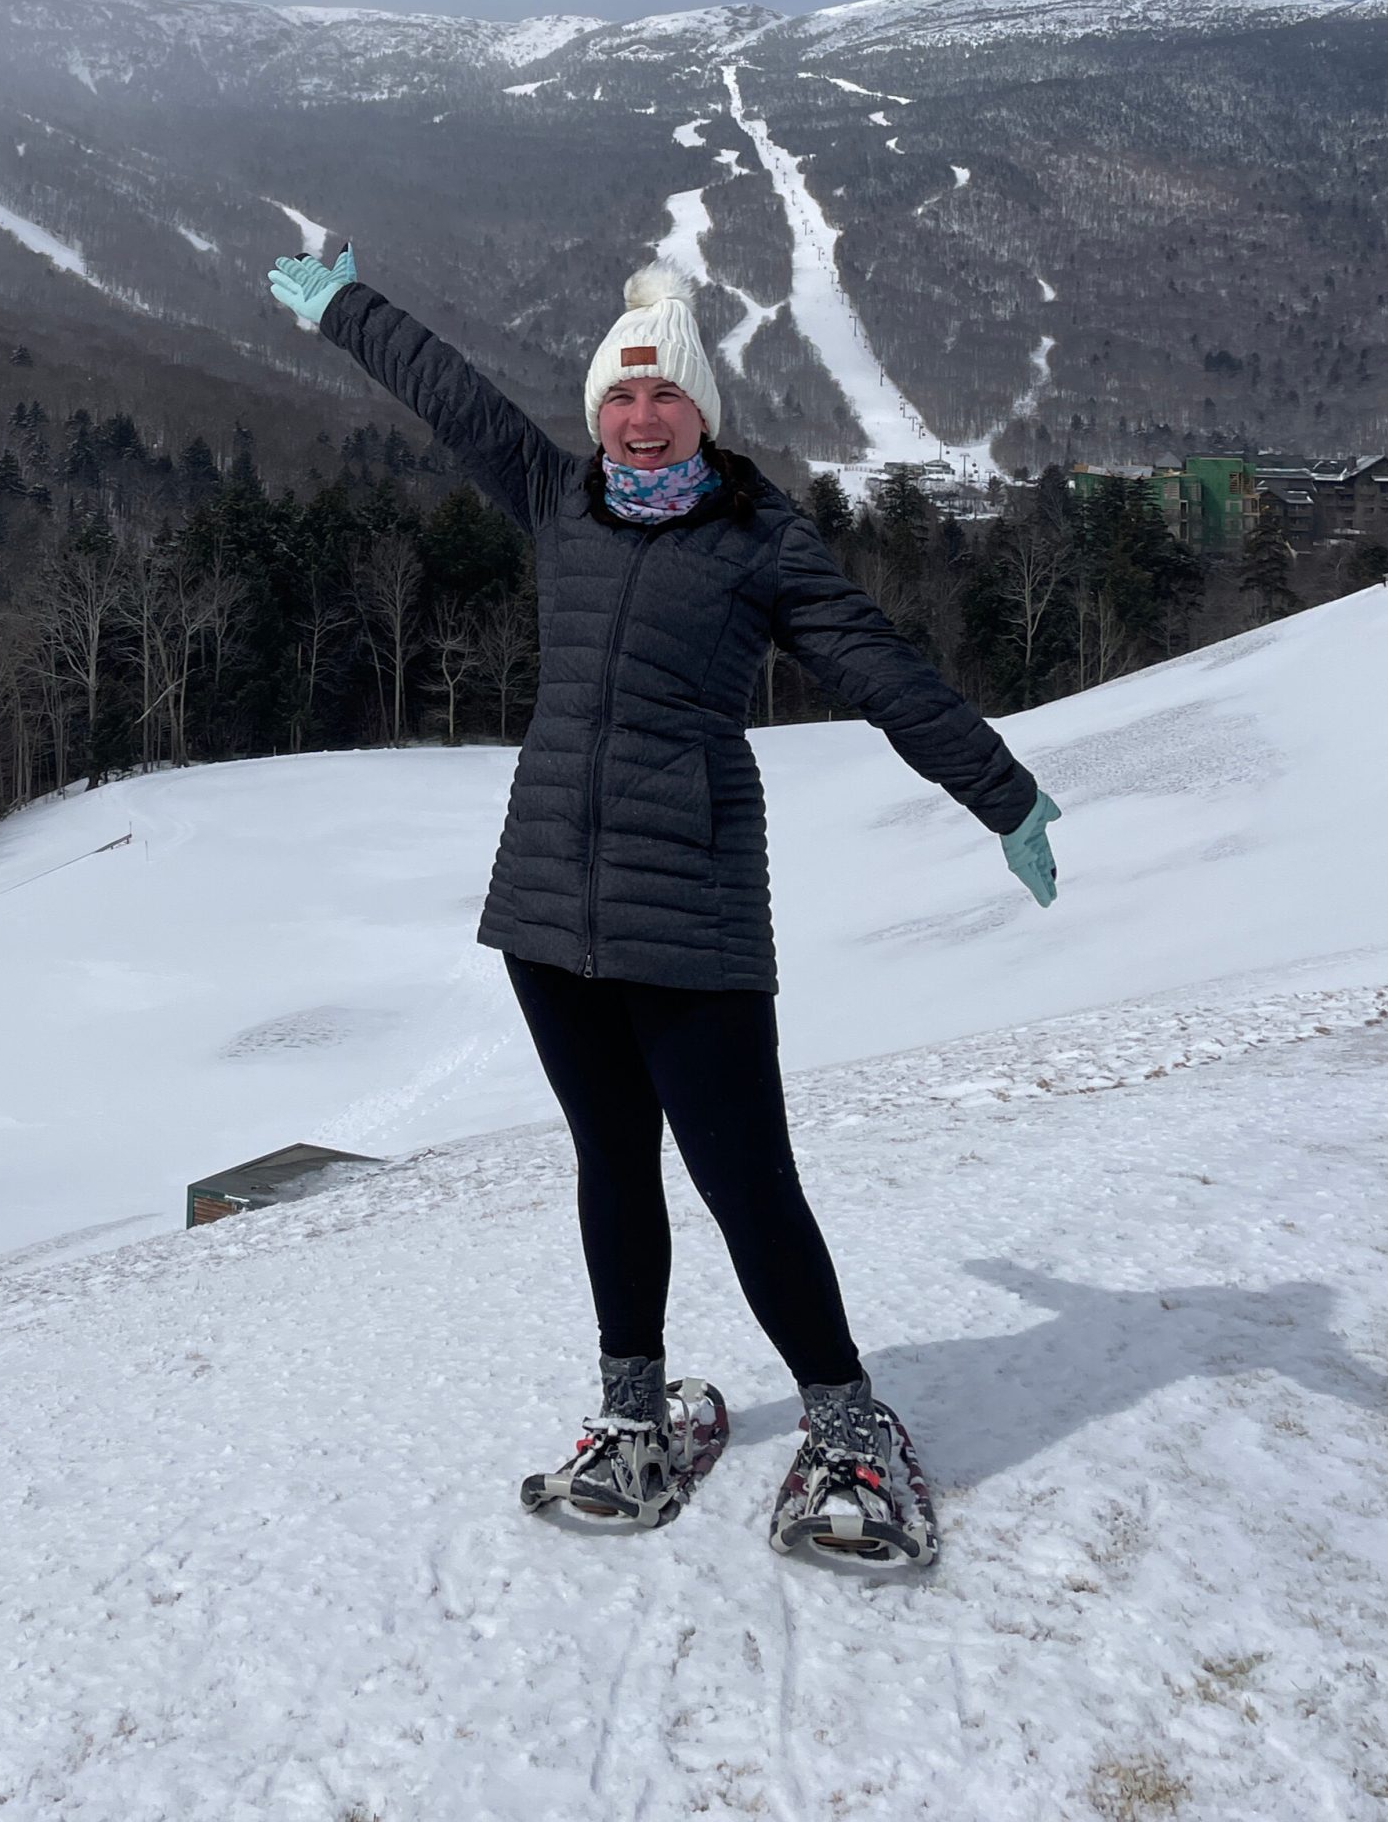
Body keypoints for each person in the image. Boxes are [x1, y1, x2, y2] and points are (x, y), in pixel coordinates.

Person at [267, 244, 1061, 1570]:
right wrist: (351, 308)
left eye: (664, 399)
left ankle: (848, 1420)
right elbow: (453, 397)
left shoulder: (760, 542)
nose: (639, 420)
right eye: (619, 400)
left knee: (745, 1180)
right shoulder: (556, 499)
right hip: (546, 908)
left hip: (686, 907)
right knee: (609, 1164)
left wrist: (999, 791)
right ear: (596, 415)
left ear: (701, 412)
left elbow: (876, 666)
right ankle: (632, 1412)